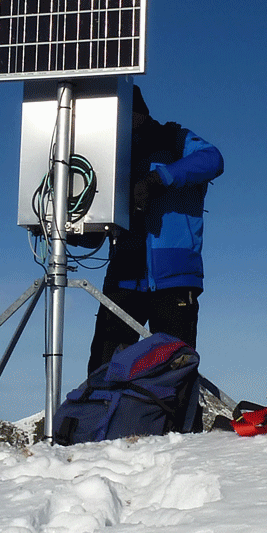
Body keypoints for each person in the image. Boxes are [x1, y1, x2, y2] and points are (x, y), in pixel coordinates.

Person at [87, 89, 224, 374]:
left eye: (125, 114)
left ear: (140, 113)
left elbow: (213, 159)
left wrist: (157, 179)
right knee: (103, 370)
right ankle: (102, 419)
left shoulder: (174, 139)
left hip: (173, 276)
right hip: (124, 273)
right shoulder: (114, 152)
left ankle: (179, 421)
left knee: (174, 374)